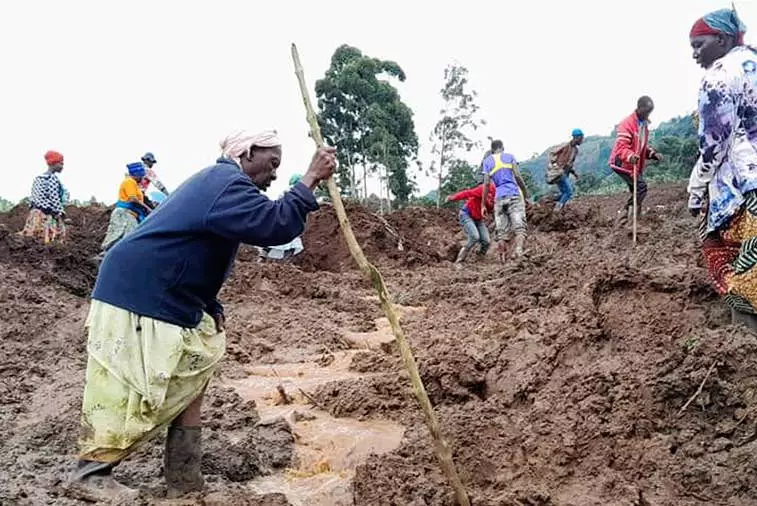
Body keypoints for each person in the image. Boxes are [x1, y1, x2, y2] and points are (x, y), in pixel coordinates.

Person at [65, 130, 336, 502]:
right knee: (127, 385)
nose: (274, 174)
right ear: (248, 153)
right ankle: (90, 474)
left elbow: (195, 250)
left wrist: (209, 304)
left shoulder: (223, 185)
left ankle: (184, 478)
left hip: (165, 293)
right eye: (272, 164)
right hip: (139, 293)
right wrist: (310, 179)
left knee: (194, 370)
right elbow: (275, 228)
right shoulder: (226, 183)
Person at [687, 7, 757, 328]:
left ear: (722, 38)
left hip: (744, 190)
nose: (695, 54)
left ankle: (743, 354)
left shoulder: (719, 76)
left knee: (739, 275)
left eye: (699, 45)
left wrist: (697, 186)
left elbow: (714, 144)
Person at [608, 96, 664, 224]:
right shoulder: (627, 124)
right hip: (621, 163)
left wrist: (652, 154)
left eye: (650, 111)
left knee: (636, 190)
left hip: (632, 164)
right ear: (639, 108)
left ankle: (631, 219)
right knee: (641, 187)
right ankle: (626, 217)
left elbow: (641, 147)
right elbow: (621, 148)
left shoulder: (643, 125)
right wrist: (630, 156)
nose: (648, 114)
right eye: (646, 111)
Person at [481, 140, 530, 260]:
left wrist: (483, 204)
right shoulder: (510, 157)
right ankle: (518, 251)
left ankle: (503, 259)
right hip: (513, 195)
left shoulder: (487, 161)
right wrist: (524, 192)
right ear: (502, 148)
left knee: (501, 232)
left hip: (499, 198)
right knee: (519, 228)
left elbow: (486, 184)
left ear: (492, 150)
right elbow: (518, 176)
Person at [99, 162, 152, 253]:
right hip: (124, 215)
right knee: (119, 237)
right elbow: (132, 199)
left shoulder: (134, 184)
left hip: (130, 215)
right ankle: (104, 257)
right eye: (141, 176)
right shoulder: (129, 181)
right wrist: (147, 208)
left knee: (130, 239)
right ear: (136, 174)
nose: (142, 178)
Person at [20, 151, 67, 244]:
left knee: (33, 237)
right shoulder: (52, 178)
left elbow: (33, 196)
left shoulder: (38, 178)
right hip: (46, 214)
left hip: (35, 213)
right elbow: (54, 197)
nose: (62, 167)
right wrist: (60, 212)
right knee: (52, 238)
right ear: (53, 163)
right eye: (61, 164)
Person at [445, 181, 495, 268]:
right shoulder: (484, 189)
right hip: (466, 214)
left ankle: (479, 258)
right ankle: (459, 261)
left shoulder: (500, 195)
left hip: (478, 219)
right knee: (475, 236)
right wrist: (452, 198)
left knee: (486, 241)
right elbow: (467, 193)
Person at [547, 129, 584, 212]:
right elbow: (552, 153)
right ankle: (557, 210)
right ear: (576, 138)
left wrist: (574, 173)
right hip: (559, 173)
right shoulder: (565, 146)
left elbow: (570, 164)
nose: (582, 140)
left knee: (565, 193)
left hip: (564, 173)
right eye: (581, 138)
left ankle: (548, 199)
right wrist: (554, 165)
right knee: (569, 192)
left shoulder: (575, 150)